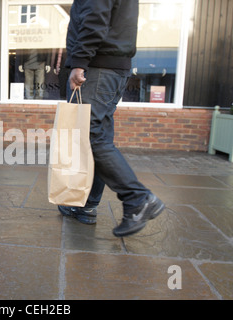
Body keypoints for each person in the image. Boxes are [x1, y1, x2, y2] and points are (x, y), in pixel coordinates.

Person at [58, 0, 165, 237]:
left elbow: (95, 19)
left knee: (90, 137)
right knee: (99, 137)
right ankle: (86, 205)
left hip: (98, 67)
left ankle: (138, 198)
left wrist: (79, 63)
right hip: (111, 67)